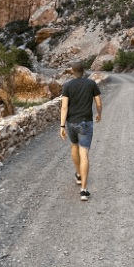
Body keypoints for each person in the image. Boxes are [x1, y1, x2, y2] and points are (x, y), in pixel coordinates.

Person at [59, 60, 102, 201]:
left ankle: (78, 174)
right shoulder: (91, 84)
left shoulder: (68, 85)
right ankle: (83, 190)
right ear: (84, 70)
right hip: (86, 122)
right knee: (84, 153)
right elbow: (99, 103)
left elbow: (64, 107)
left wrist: (62, 126)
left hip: (71, 123)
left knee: (74, 146)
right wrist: (99, 114)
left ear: (72, 71)